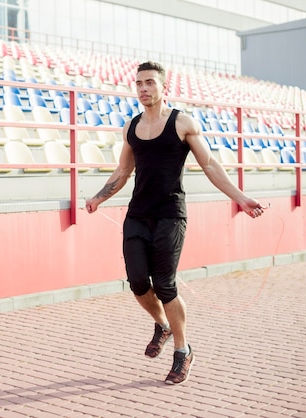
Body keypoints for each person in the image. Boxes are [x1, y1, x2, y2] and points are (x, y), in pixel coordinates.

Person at [85, 61, 265, 385]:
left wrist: (241, 198)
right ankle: (163, 324)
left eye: (150, 83)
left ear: (163, 86)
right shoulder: (132, 127)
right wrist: (99, 197)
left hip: (170, 215)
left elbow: (209, 164)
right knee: (138, 282)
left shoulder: (182, 122)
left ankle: (183, 351)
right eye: (139, 83)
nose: (143, 88)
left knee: (165, 284)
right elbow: (123, 172)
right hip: (137, 215)